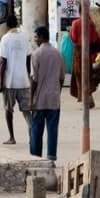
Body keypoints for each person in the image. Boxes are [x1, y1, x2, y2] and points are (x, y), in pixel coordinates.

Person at [29, 25, 65, 162]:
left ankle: (35, 157)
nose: (35, 40)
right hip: (53, 99)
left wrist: (31, 99)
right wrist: (58, 92)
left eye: (36, 37)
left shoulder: (36, 54)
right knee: (52, 129)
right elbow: (61, 78)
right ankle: (51, 157)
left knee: (36, 130)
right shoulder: (58, 54)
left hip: (39, 99)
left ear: (42, 37)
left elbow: (34, 79)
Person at [0, 14, 32, 145]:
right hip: (23, 81)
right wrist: (29, 77)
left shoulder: (5, 39)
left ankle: (12, 137)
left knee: (8, 110)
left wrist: (1, 83)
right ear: (17, 24)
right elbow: (29, 59)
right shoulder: (25, 37)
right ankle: (31, 134)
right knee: (27, 111)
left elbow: (3, 63)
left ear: (7, 25)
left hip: (10, 82)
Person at [69, 13, 100, 109]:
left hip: (79, 51)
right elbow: (95, 38)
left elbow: (73, 38)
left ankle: (85, 100)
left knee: (79, 75)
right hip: (88, 51)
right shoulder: (92, 24)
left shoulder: (75, 23)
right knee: (88, 75)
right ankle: (89, 98)